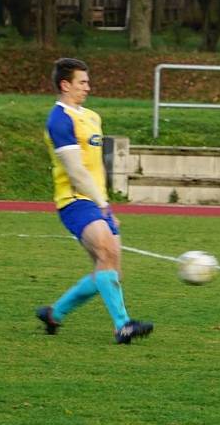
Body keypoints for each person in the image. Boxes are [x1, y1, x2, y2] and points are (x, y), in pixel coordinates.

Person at [36, 58, 154, 344]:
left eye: (88, 82)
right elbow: (76, 171)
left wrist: (104, 202)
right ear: (65, 85)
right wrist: (102, 204)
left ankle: (55, 313)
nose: (88, 87)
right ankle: (122, 326)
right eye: (82, 82)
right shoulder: (59, 120)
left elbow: (96, 165)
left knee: (110, 269)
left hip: (97, 201)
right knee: (106, 256)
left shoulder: (92, 117)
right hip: (75, 201)